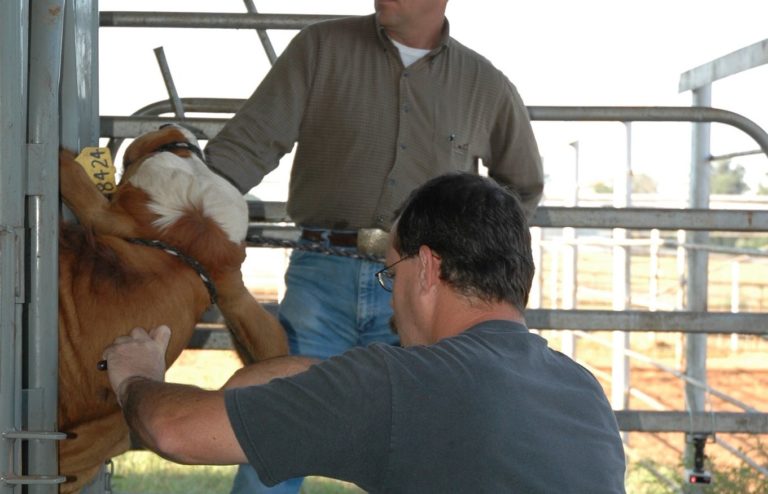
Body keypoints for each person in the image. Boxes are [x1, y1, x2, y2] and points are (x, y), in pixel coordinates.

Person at [102, 173, 626, 494]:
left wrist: (137, 375)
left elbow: (174, 430)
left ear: (426, 269)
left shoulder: (396, 385)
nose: (392, 301)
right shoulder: (582, 391)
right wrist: (314, 378)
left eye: (390, 274)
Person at [205, 1, 543, 487]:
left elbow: (522, 187)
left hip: (428, 288)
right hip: (322, 272)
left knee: (430, 442)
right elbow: (248, 145)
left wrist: (474, 256)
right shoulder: (320, 48)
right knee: (273, 427)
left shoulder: (484, 84)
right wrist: (191, 201)